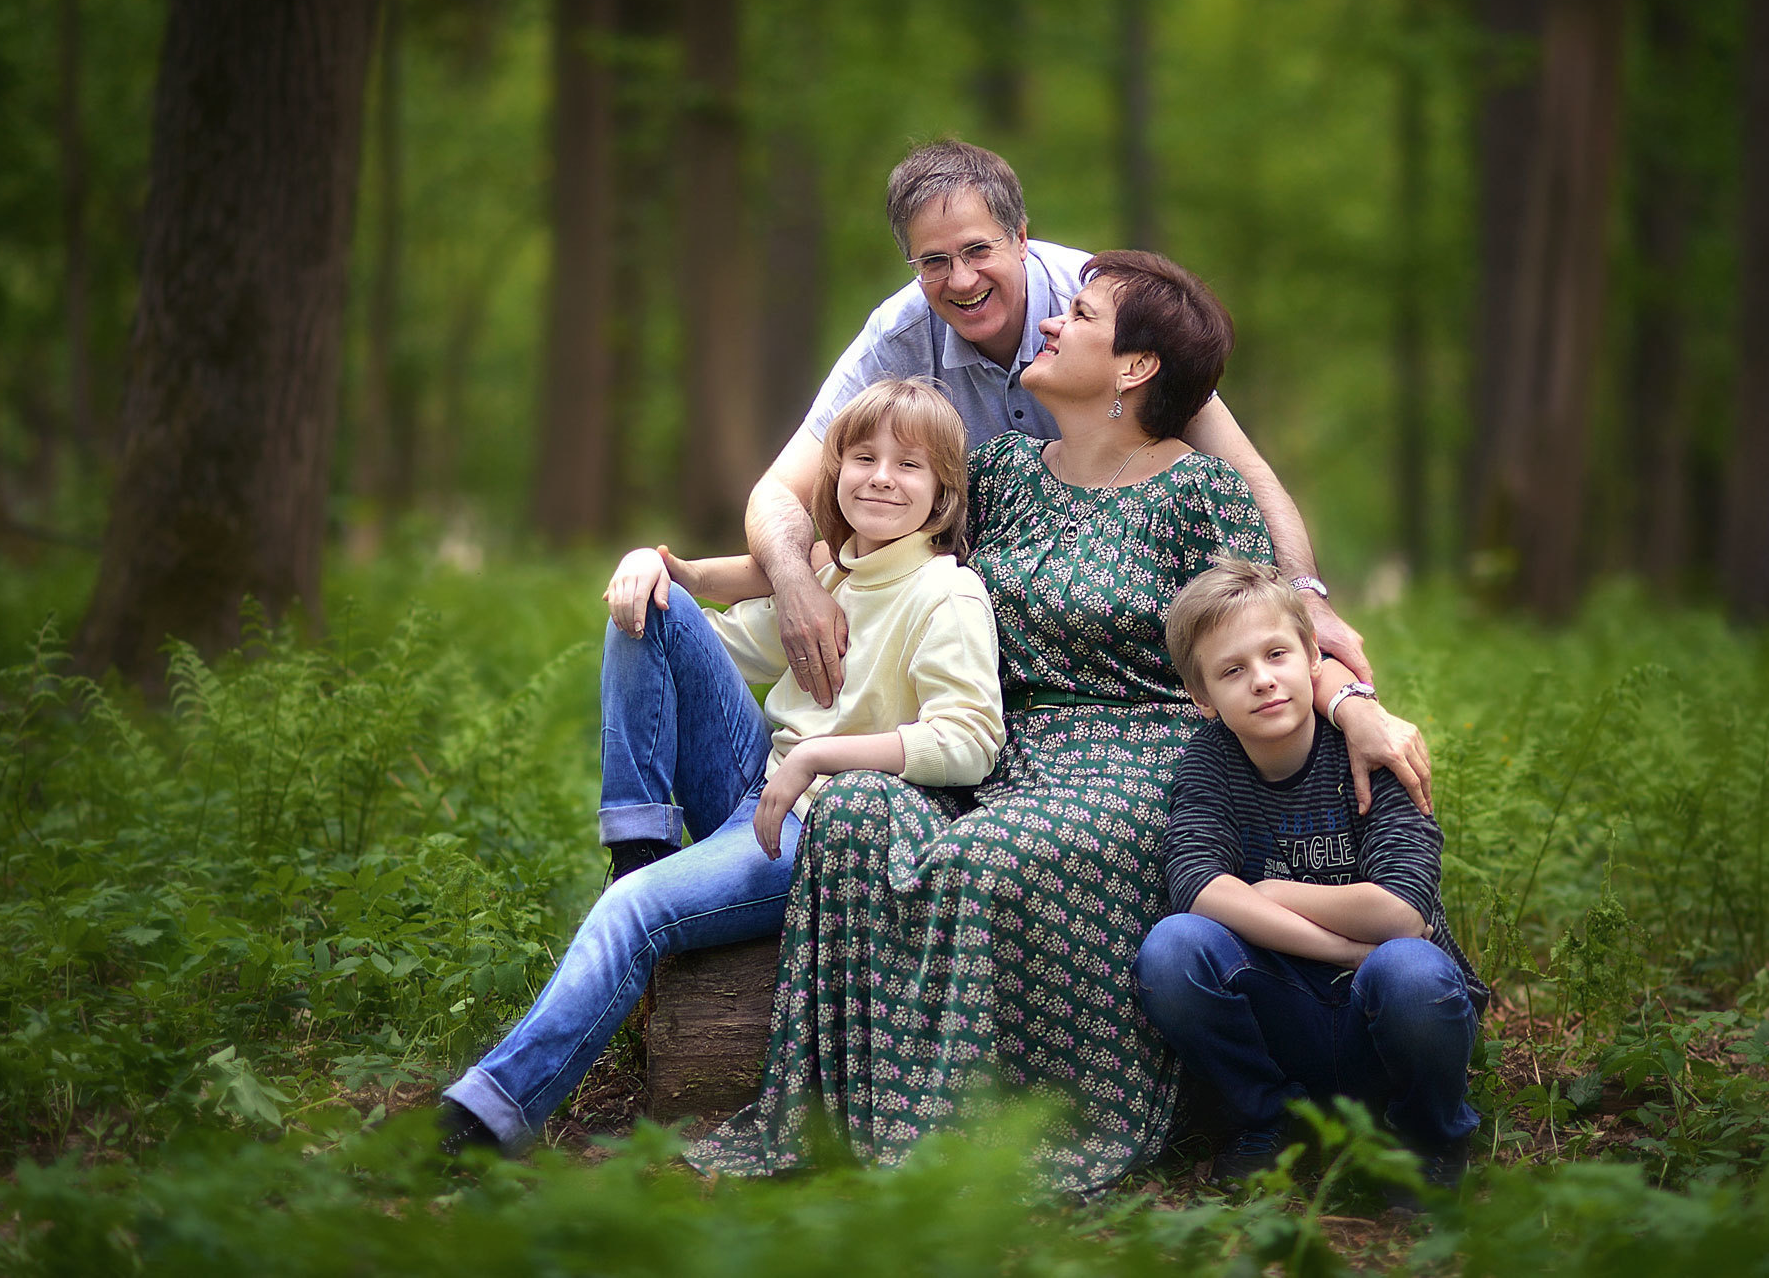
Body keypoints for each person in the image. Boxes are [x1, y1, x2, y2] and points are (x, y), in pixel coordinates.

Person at [691, 251, 1376, 1193]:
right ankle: (854, 1125)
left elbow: (1272, 639)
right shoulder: (1006, 471)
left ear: (1133, 369)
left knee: (987, 857)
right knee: (852, 817)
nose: (1052, 323)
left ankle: (984, 1147)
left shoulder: (1199, 494)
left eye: (1081, 316)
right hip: (999, 753)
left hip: (1141, 761)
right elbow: (865, 548)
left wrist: (1351, 702)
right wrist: (683, 574)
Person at [745, 141, 1427, 815]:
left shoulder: (1108, 306)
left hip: (1130, 738)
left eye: (979, 250)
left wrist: (1315, 617)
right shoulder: (909, 353)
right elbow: (795, 502)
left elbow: (1246, 489)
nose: (959, 279)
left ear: (1020, 237)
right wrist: (788, 580)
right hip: (991, 709)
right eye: (934, 262)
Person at [436, 380, 1004, 1155]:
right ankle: (639, 843)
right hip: (754, 784)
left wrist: (819, 754)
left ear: (942, 495)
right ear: (834, 470)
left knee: (632, 913)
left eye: (908, 465)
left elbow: (971, 738)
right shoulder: (831, 571)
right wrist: (653, 568)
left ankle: (488, 1114)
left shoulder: (947, 592)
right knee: (645, 608)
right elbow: (718, 647)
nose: (880, 476)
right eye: (864, 457)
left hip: (815, 830)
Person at [1133, 556, 1487, 1188]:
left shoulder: (1370, 753)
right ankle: (1272, 1119)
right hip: (1285, 1007)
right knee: (1173, 950)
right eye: (1232, 671)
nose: (1263, 681)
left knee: (1409, 967)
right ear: (1203, 698)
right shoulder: (1208, 764)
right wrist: (1343, 947)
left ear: (1314, 661)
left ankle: (1425, 1138)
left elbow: (1401, 913)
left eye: (1277, 655)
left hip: (1386, 1010)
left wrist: (1270, 892)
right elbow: (1200, 890)